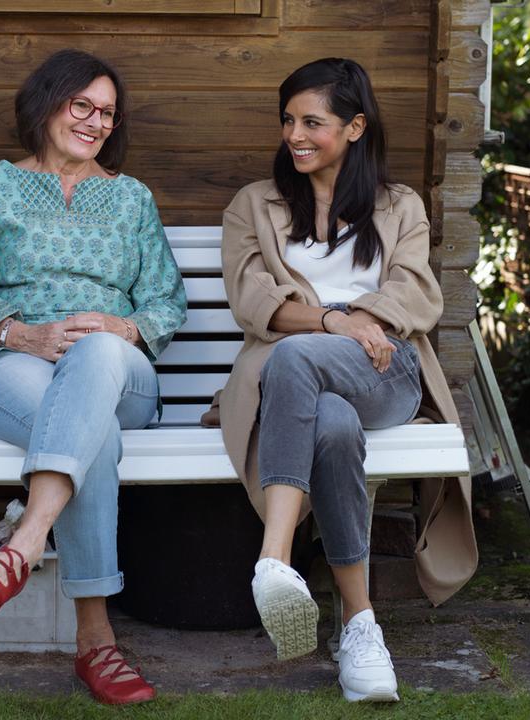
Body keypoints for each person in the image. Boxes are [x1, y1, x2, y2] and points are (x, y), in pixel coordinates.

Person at [217, 58, 477, 702]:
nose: (295, 135)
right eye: (287, 121)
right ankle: (362, 629)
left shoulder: (399, 207)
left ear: (356, 126)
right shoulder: (256, 204)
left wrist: (362, 326)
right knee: (328, 419)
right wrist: (335, 320)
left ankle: (274, 557)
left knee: (295, 357)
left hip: (387, 374)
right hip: (303, 384)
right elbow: (254, 302)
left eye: (313, 122)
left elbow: (415, 294)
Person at [0, 49, 187, 706]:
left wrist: (124, 327)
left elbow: (166, 300)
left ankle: (23, 541)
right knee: (92, 435)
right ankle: (96, 643)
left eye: (107, 112)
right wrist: (26, 334)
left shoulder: (130, 198)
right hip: (10, 366)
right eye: (83, 105)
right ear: (47, 103)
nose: (96, 121)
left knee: (98, 353)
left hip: (119, 372)